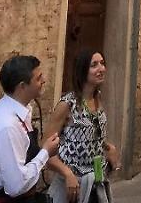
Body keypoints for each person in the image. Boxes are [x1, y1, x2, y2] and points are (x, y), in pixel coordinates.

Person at [0, 55, 61, 203]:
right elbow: (15, 186)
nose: (43, 81)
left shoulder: (20, 109)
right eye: (38, 78)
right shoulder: (8, 125)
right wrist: (45, 153)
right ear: (22, 86)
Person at [45, 50, 121, 203]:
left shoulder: (97, 98)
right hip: (72, 187)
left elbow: (92, 135)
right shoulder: (67, 104)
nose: (101, 69)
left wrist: (108, 147)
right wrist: (67, 174)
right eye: (94, 65)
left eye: (102, 63)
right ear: (82, 71)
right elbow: (45, 150)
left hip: (96, 180)